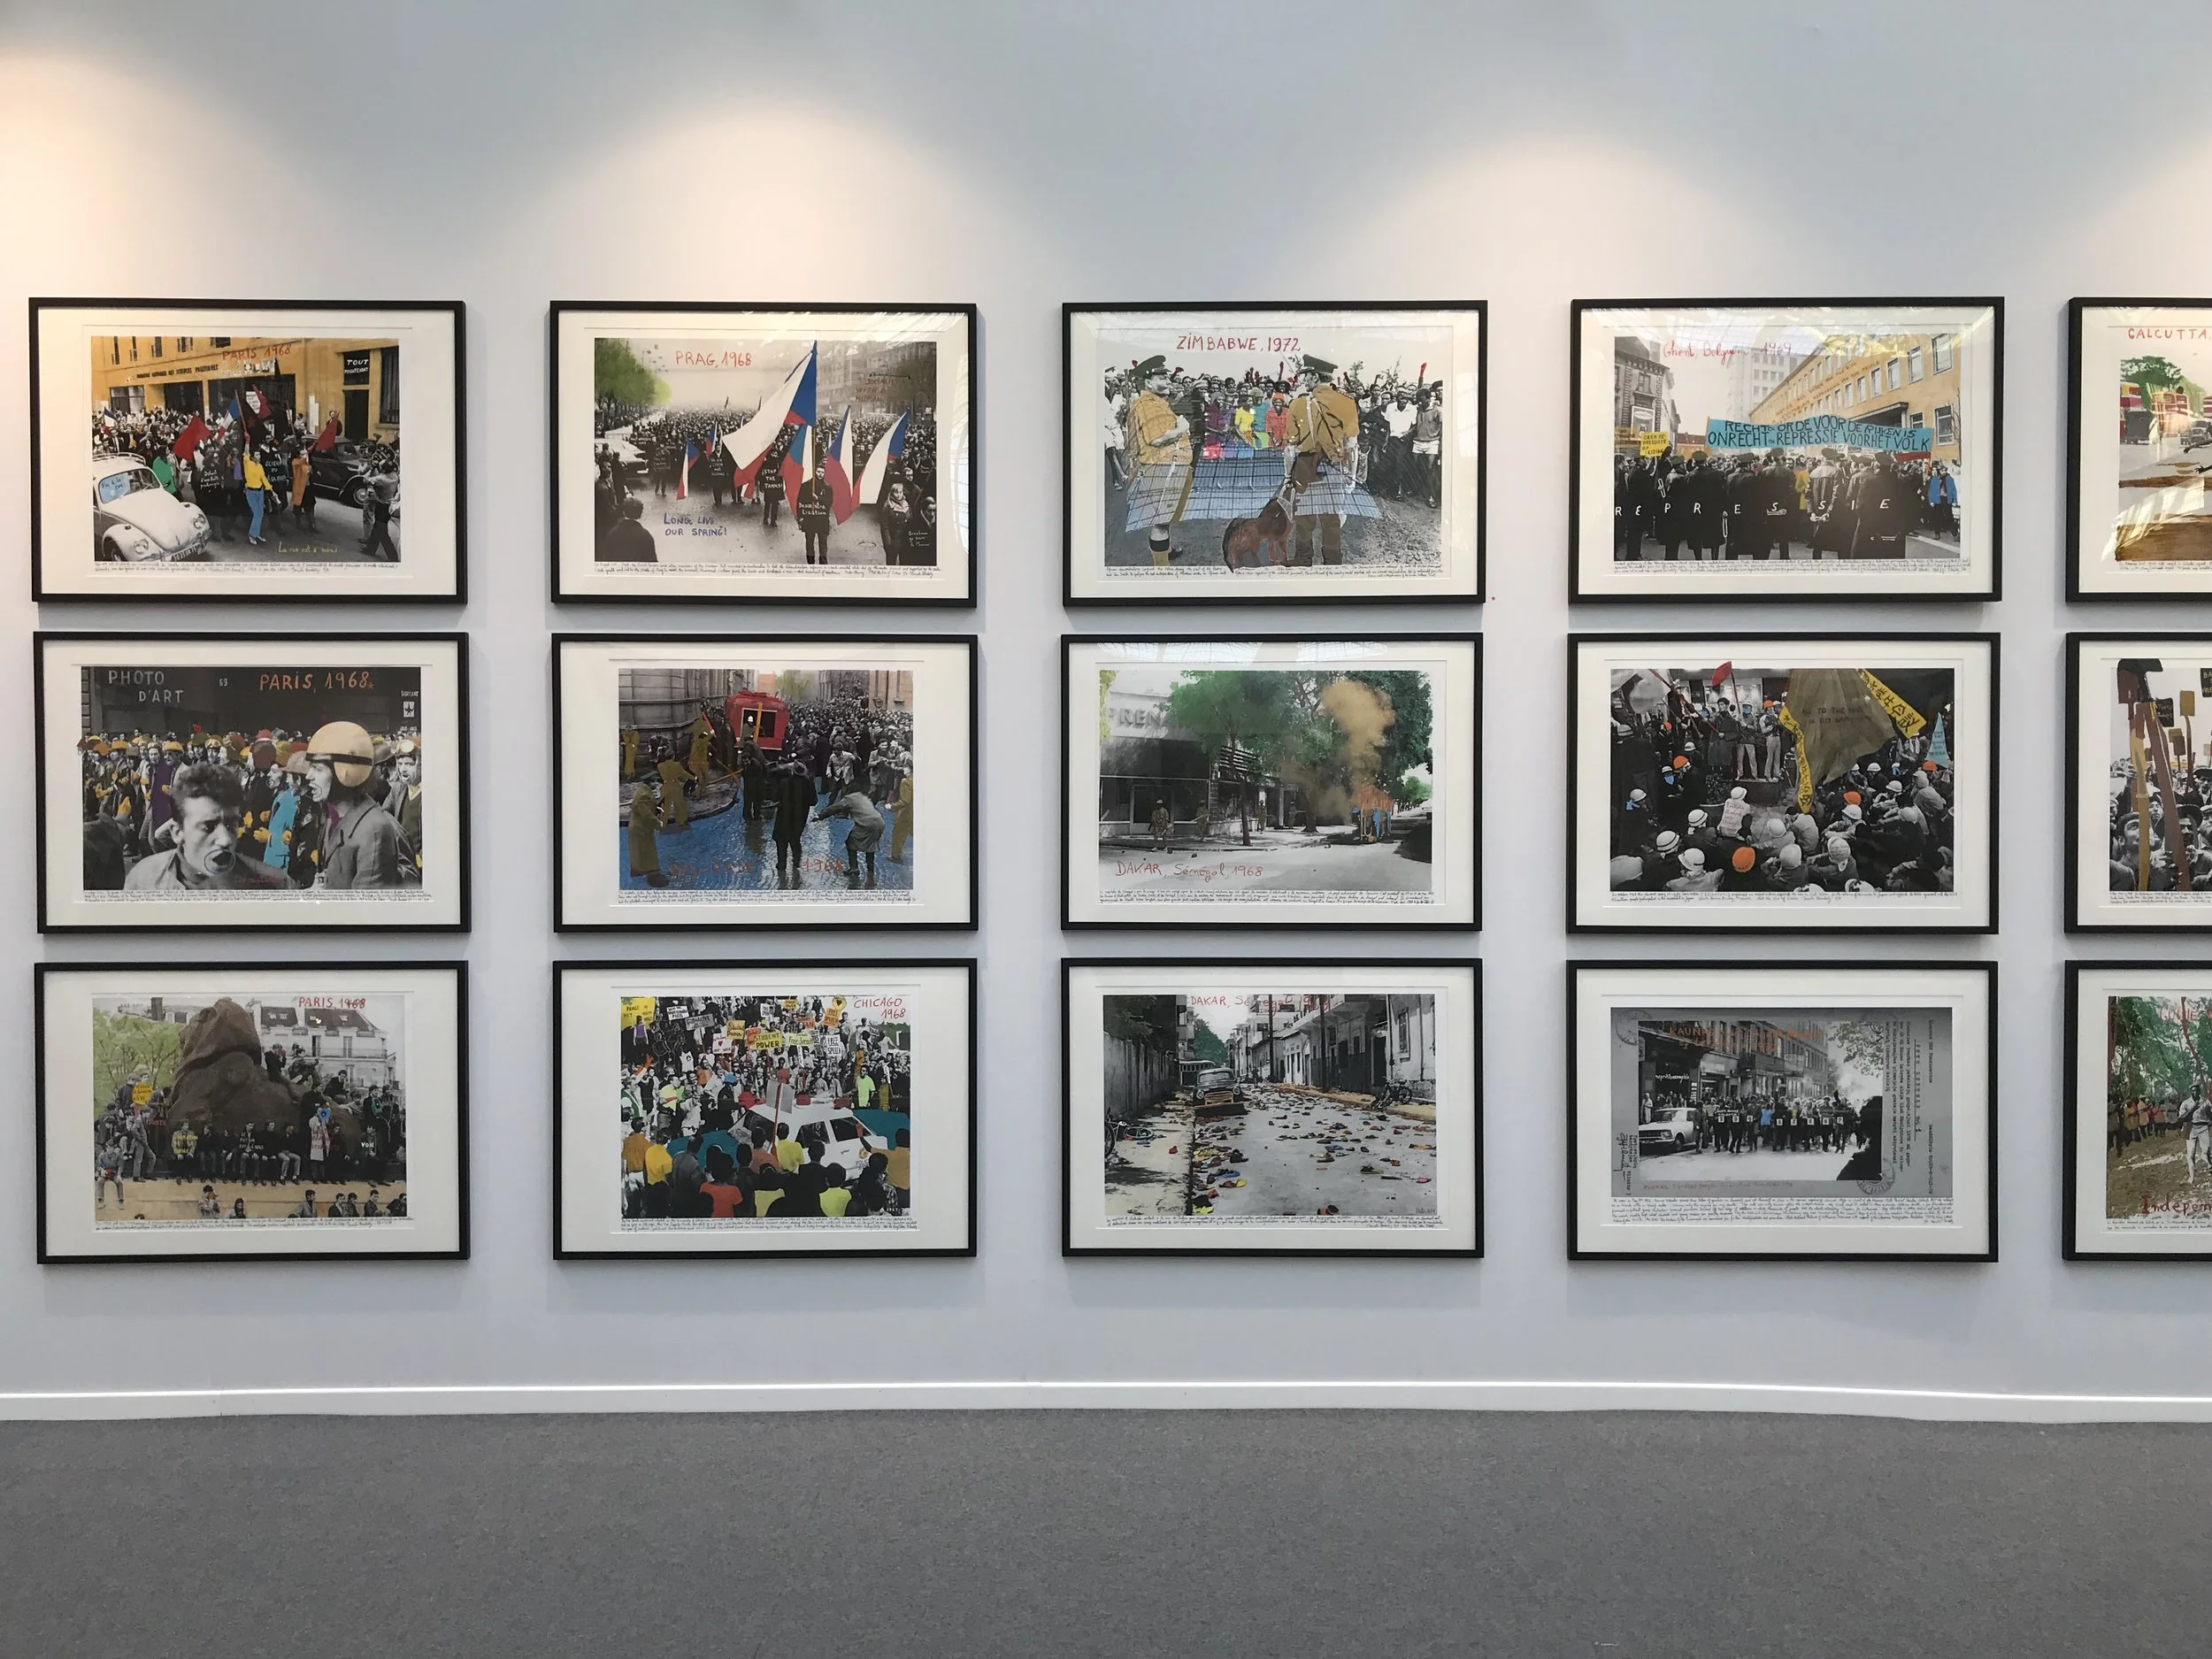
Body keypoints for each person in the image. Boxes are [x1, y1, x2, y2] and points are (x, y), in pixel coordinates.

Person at [126, 763, 285, 891]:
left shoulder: (272, 885)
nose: (226, 840)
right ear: (177, 832)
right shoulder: (143, 879)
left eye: (231, 824)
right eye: (208, 827)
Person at [305, 723, 413, 887]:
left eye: (318, 769)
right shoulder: (335, 817)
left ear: (346, 772)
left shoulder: (373, 830)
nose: (308, 776)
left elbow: (365, 902)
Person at [1281, 357, 1360, 566]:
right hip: (1334, 465)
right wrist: (1351, 475)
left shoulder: (1298, 404)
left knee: (1303, 516)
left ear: (1315, 376)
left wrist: (1288, 476)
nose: (1304, 380)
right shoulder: (1346, 403)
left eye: (1306, 376)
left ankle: (1303, 558)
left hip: (1305, 464)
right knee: (1331, 518)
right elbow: (1352, 445)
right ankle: (1333, 561)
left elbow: (1290, 447)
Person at [1123, 357, 1193, 565]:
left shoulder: (1155, 402)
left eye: (1167, 376)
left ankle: (1165, 552)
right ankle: (1161, 567)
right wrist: (1182, 428)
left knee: (1164, 519)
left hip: (1166, 467)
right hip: (1161, 469)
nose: (1168, 380)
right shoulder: (1148, 405)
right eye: (1162, 377)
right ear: (1148, 382)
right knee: (1161, 522)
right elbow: (1156, 439)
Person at [795, 456, 833, 564]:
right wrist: (800, 518)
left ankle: (823, 564)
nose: (820, 474)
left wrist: (818, 498)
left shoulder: (828, 487)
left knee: (823, 544)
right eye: (818, 472)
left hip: (822, 520)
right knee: (809, 543)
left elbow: (829, 502)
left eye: (822, 472)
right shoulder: (806, 486)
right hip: (810, 520)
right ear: (815, 472)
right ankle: (810, 563)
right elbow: (800, 502)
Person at [600, 495, 657, 562]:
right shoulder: (646, 536)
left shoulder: (612, 533)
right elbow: (652, 561)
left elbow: (607, 558)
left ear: (624, 513)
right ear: (640, 515)